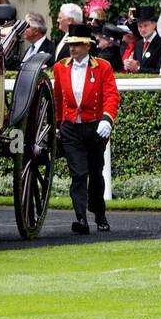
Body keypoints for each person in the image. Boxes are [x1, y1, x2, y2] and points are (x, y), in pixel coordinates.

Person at [52, 24, 120, 235]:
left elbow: (111, 95)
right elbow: (58, 98)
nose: (73, 49)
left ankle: (99, 214)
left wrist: (107, 119)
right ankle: (81, 218)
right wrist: (56, 124)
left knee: (96, 174)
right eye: (71, 45)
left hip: (94, 127)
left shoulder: (103, 67)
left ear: (88, 46)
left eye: (78, 45)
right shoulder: (60, 67)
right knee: (78, 174)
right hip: (71, 128)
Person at [124, 5, 161, 73]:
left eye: (146, 25)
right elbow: (136, 65)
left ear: (154, 25)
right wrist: (130, 65)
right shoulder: (138, 44)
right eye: (140, 26)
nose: (142, 29)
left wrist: (138, 68)